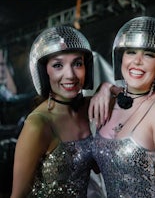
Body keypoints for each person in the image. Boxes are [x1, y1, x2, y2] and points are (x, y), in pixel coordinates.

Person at [89, 16, 155, 197]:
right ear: (121, 58)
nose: (137, 61)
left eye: (149, 54)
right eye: (131, 52)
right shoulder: (111, 102)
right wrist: (105, 87)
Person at [10, 25, 104, 198]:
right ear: (43, 71)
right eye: (58, 65)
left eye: (77, 63)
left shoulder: (88, 107)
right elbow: (18, 195)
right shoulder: (37, 124)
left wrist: (105, 88)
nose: (70, 75)